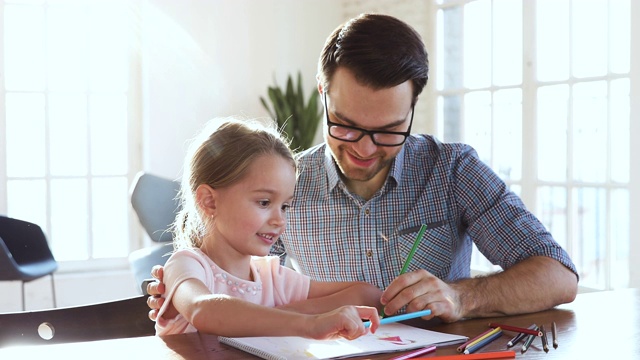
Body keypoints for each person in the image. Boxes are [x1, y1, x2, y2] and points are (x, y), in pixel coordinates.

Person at [148, 13, 578, 325]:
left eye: (389, 130)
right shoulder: (285, 184)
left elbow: (558, 277)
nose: (365, 149)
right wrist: (186, 288)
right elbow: (249, 290)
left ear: (413, 106)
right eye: (347, 126)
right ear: (322, 93)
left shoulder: (452, 170)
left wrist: (461, 297)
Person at [153, 117, 382, 339]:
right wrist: (309, 323)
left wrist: (292, 315)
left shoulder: (271, 277)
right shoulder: (186, 265)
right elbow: (203, 311)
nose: (279, 220)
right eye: (264, 202)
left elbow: (366, 295)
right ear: (209, 201)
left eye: (284, 206)